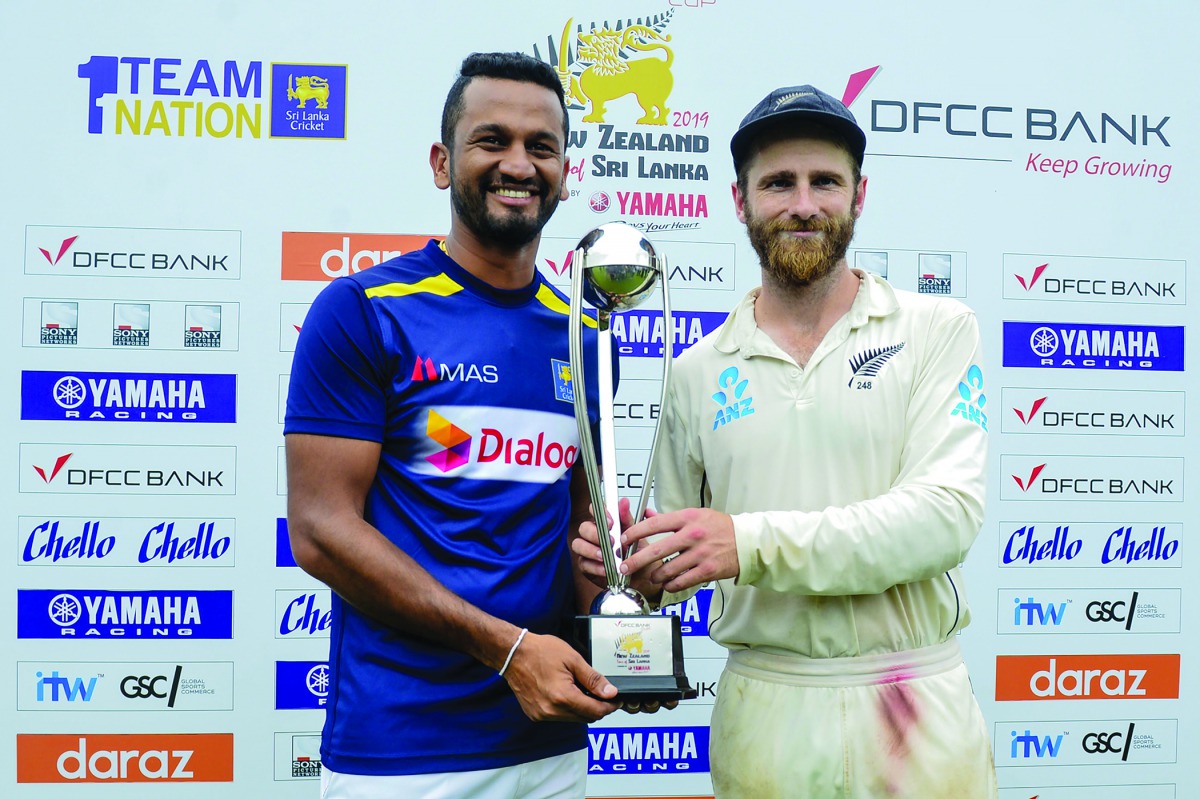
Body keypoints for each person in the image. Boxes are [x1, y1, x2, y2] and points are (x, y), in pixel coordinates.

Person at [574, 85, 996, 797]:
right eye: (778, 183)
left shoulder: (937, 329)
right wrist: (642, 572)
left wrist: (746, 542)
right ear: (740, 202)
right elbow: (682, 555)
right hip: (766, 707)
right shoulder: (696, 370)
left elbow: (942, 518)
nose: (803, 204)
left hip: (913, 705)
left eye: (824, 181)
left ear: (859, 196)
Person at [284, 51, 621, 799]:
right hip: (402, 752)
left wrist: (619, 610)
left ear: (566, 171)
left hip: (549, 745)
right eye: (491, 139)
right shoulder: (364, 310)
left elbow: (574, 542)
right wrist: (506, 652)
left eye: (542, 146)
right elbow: (318, 530)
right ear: (443, 163)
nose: (519, 164)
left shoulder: (584, 338)